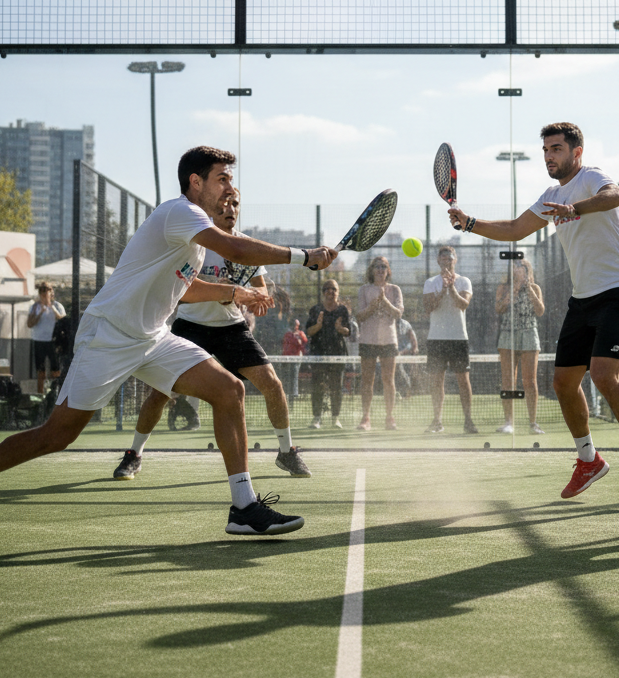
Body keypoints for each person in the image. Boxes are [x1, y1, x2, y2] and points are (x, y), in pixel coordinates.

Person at [0, 146, 337, 545]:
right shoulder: (180, 212)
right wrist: (302, 256)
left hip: (152, 337)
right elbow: (234, 248)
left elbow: (185, 289)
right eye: (222, 178)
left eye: (231, 179)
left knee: (229, 390)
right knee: (56, 435)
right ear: (195, 182)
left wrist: (236, 294)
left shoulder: (189, 237)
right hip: (110, 335)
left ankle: (243, 507)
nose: (230, 187)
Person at [448, 122, 619, 501]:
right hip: (584, 298)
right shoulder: (549, 195)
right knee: (562, 383)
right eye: (546, 149)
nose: (549, 155)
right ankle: (589, 460)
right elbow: (515, 228)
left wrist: (574, 208)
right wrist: (471, 223)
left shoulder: (593, 177)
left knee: (603, 375)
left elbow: (615, 196)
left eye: (557, 149)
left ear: (576, 152)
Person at [112, 189, 312, 481]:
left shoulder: (246, 246)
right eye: (225, 203)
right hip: (191, 327)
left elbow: (262, 289)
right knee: (161, 393)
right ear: (210, 206)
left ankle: (287, 452)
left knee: (272, 383)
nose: (231, 209)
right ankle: (134, 454)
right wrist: (221, 289)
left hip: (232, 328)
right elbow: (180, 292)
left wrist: (257, 298)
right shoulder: (195, 241)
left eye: (235, 204)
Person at [423, 246, 477, 434]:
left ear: (455, 260)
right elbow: (429, 307)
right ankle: (437, 421)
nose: (447, 261)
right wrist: (442, 290)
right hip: (436, 339)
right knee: (437, 381)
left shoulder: (464, 281)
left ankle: (468, 421)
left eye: (450, 258)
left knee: (463, 380)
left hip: (458, 338)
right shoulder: (430, 283)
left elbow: (463, 304)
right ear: (438, 261)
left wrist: (451, 287)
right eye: (443, 258)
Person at [495, 257, 546, 435]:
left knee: (530, 381)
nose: (519, 269)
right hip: (508, 335)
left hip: (529, 334)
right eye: (516, 266)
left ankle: (533, 423)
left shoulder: (536, 288)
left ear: (527, 269)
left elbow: (540, 311)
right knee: (508, 380)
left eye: (522, 266)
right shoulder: (504, 287)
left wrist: (530, 291)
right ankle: (509, 422)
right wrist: (513, 291)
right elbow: (499, 309)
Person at [355, 255, 404, 430]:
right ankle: (366, 418)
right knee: (367, 380)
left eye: (384, 266)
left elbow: (398, 314)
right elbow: (359, 316)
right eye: (377, 266)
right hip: (368, 340)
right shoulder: (364, 290)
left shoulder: (395, 290)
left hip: (389, 341)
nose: (380, 269)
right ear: (372, 270)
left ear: (388, 271)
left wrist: (384, 302)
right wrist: (374, 305)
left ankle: (390, 418)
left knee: (388, 380)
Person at [306, 280, 350, 429]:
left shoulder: (343, 310)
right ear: (323, 292)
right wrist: (318, 325)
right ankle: (316, 418)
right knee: (317, 386)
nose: (331, 291)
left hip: (337, 354)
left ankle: (335, 418)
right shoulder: (316, 309)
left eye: (334, 289)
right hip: (318, 353)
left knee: (336, 387)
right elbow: (308, 332)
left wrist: (340, 328)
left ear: (338, 292)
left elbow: (348, 331)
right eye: (327, 289)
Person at [27, 281, 66, 395]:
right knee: (41, 370)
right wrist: (39, 314)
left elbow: (63, 321)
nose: (44, 294)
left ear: (51, 292)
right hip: (39, 341)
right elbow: (29, 324)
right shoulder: (35, 307)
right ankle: (41, 393)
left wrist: (53, 310)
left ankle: (57, 392)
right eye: (42, 291)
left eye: (46, 291)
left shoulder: (57, 306)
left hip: (54, 342)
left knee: (56, 369)